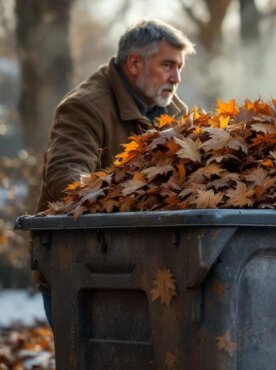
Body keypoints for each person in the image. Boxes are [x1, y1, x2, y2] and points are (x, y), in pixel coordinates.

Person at [35, 18, 196, 328]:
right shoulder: (84, 107)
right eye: (167, 65)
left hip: (147, 269)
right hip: (82, 271)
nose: (176, 78)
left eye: (179, 67)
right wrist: (131, 200)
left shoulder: (176, 112)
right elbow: (65, 178)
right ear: (134, 64)